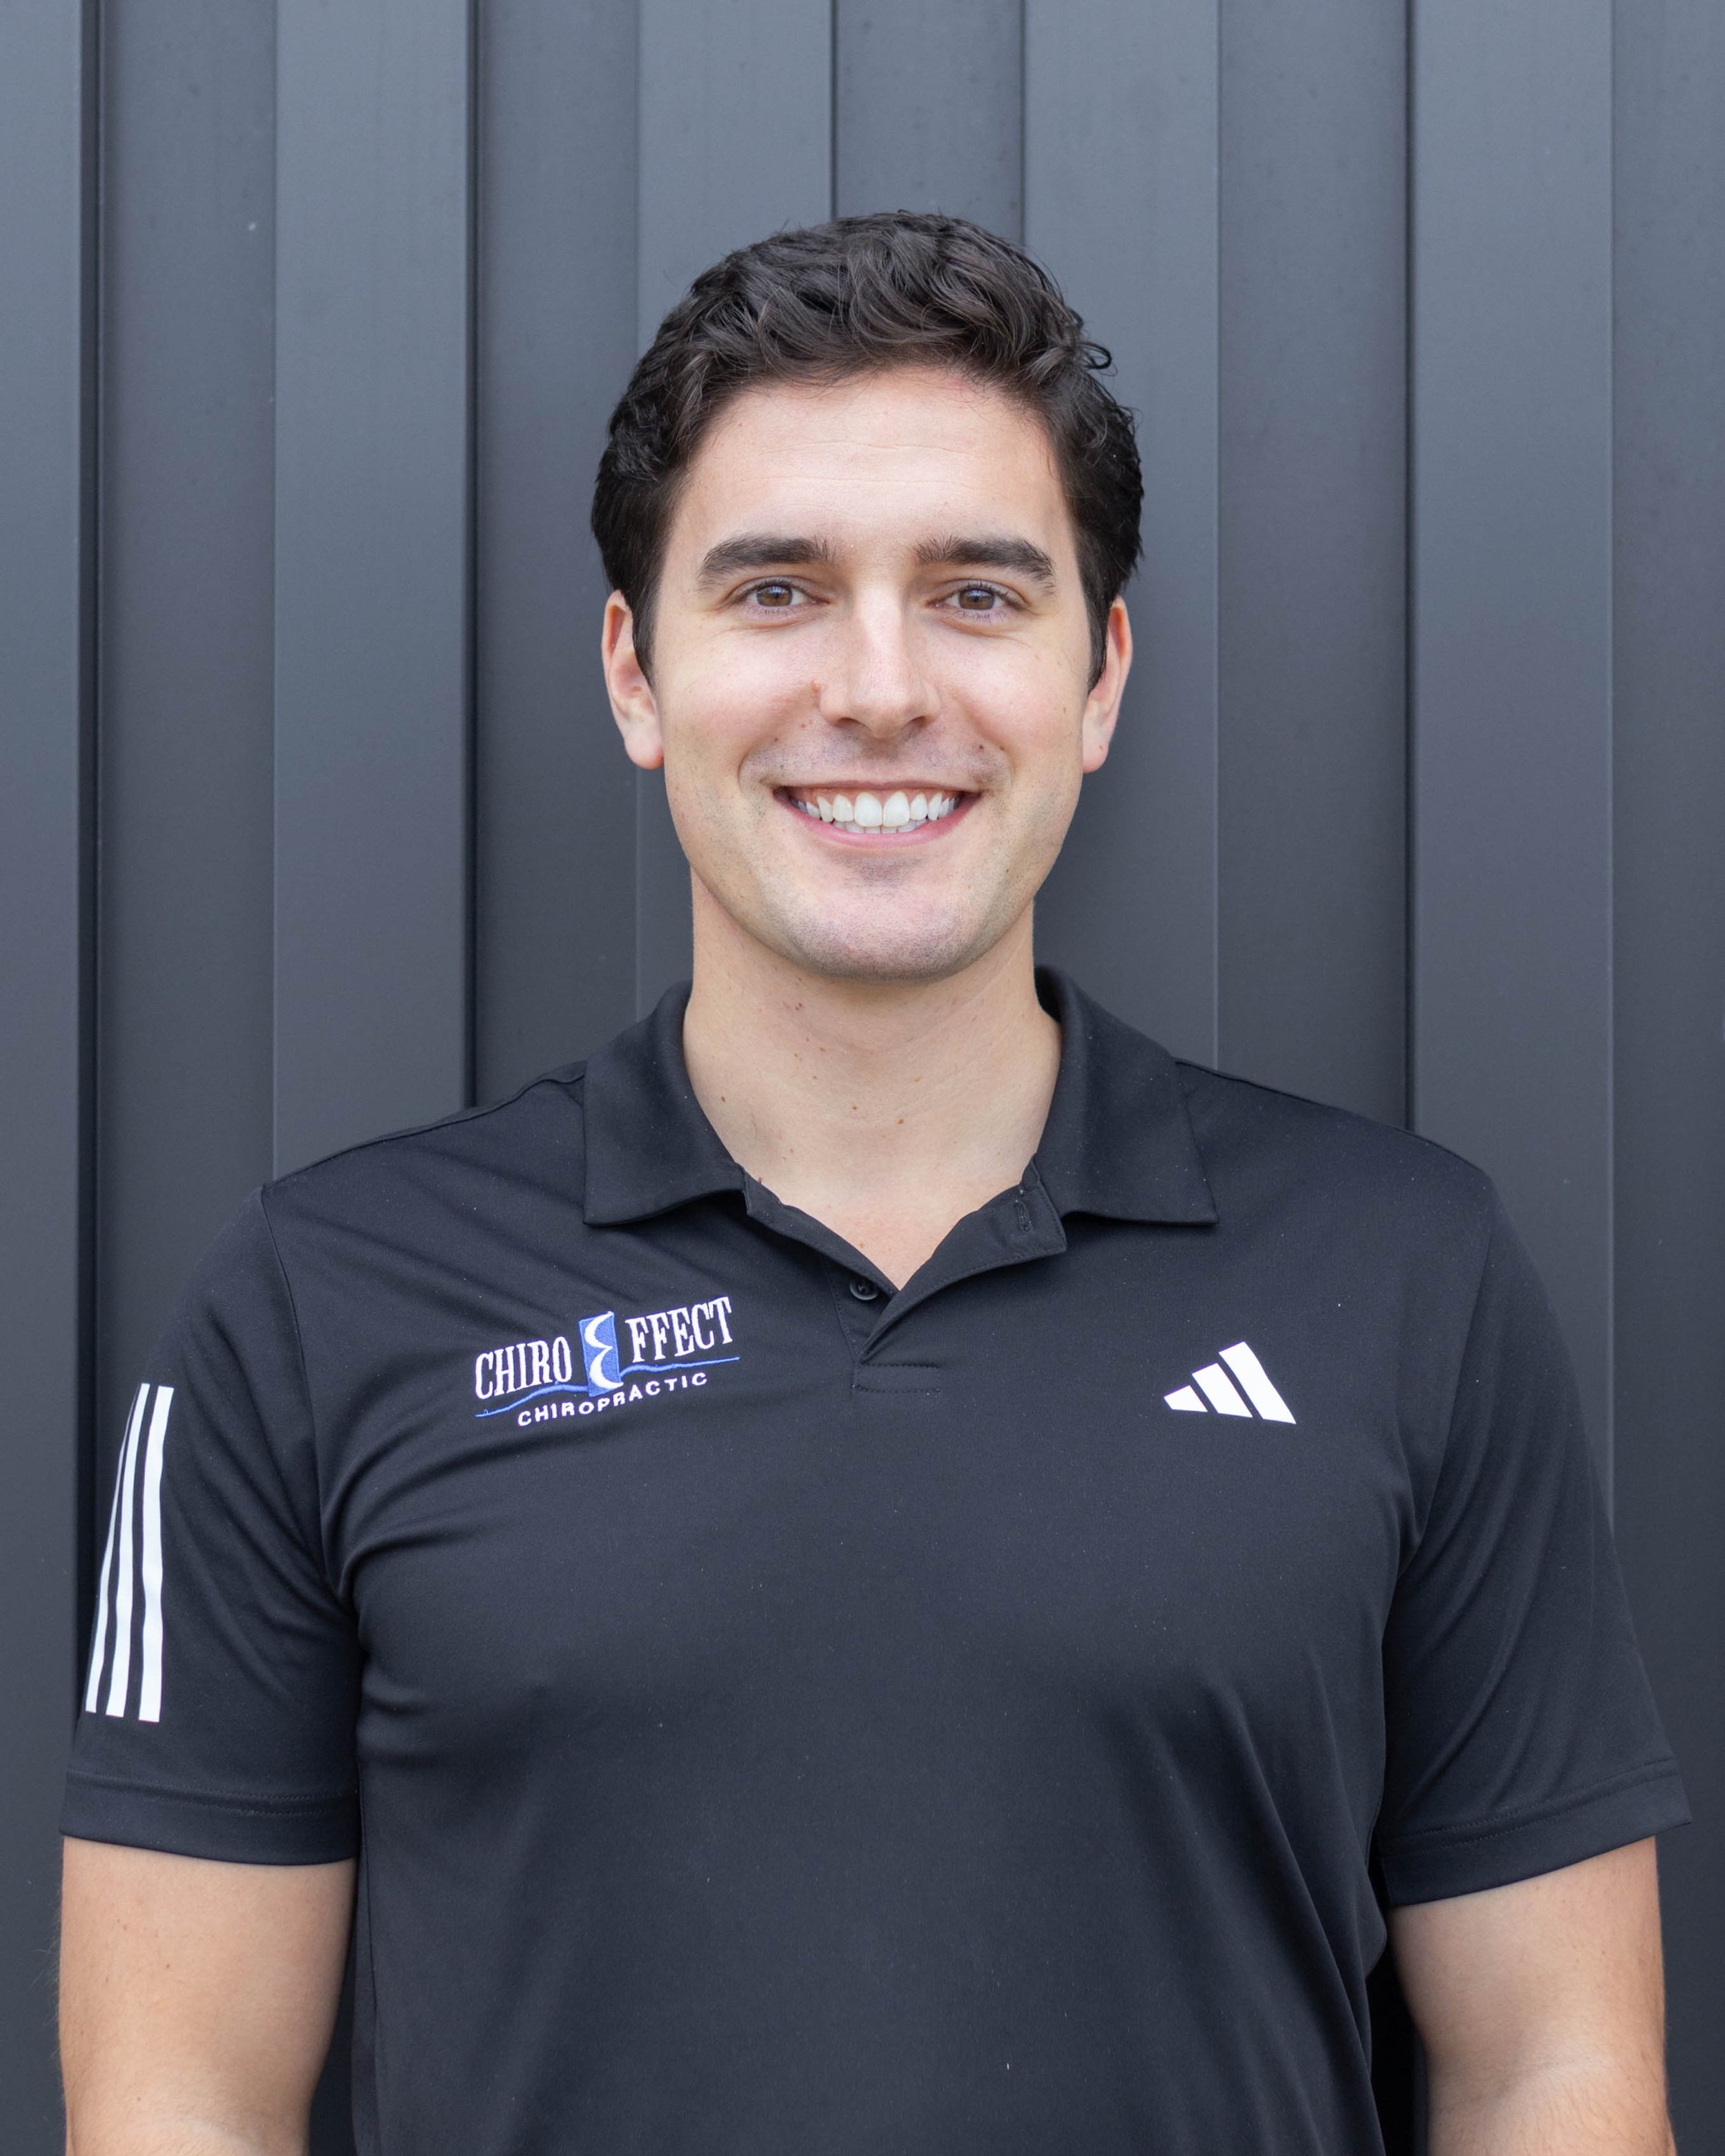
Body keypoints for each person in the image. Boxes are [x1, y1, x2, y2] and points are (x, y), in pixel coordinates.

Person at [59, 213, 1686, 2156]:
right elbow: (177, 2102)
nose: (882, 687)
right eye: (776, 592)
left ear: (1097, 678)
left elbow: (1549, 2074)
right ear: (635, 674)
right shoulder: (319, 1303)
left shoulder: (1400, 1274)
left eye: (978, 594)